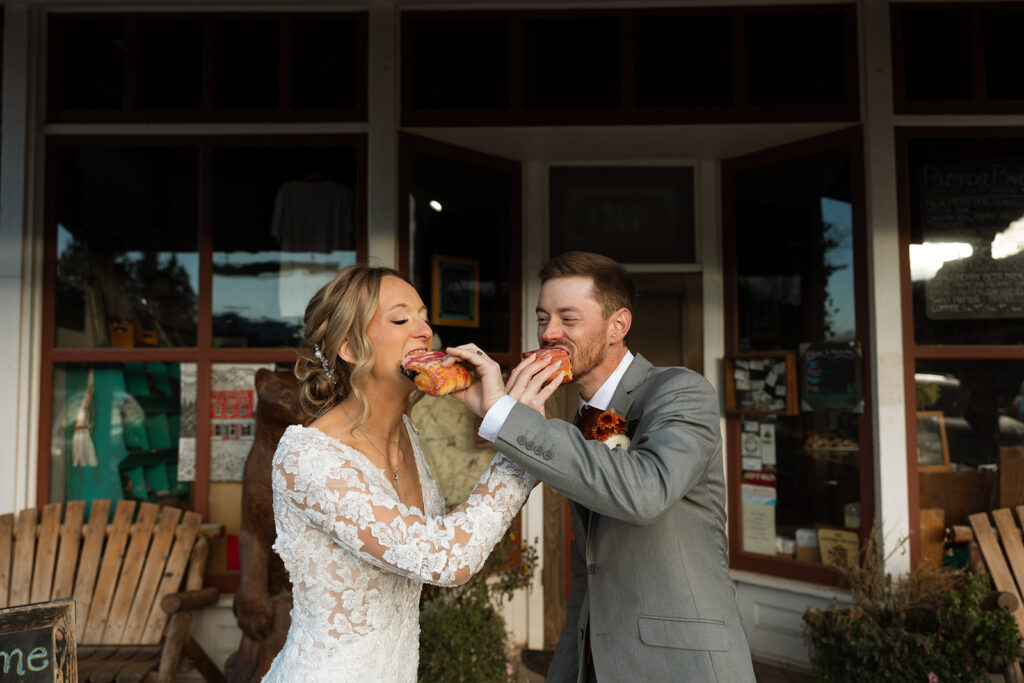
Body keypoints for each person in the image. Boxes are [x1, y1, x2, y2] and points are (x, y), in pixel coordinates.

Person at [446, 251, 756, 682]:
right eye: (542, 318)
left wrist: (504, 414)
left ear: (618, 326)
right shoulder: (580, 423)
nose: (548, 333)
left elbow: (645, 493)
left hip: (683, 663)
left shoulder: (681, 391)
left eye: (567, 320)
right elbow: (589, 568)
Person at [262, 264, 562, 682]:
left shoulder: (406, 432)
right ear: (348, 347)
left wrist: (494, 416)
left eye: (424, 316)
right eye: (402, 318)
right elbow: (447, 558)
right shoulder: (308, 457)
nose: (424, 330)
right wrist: (519, 441)